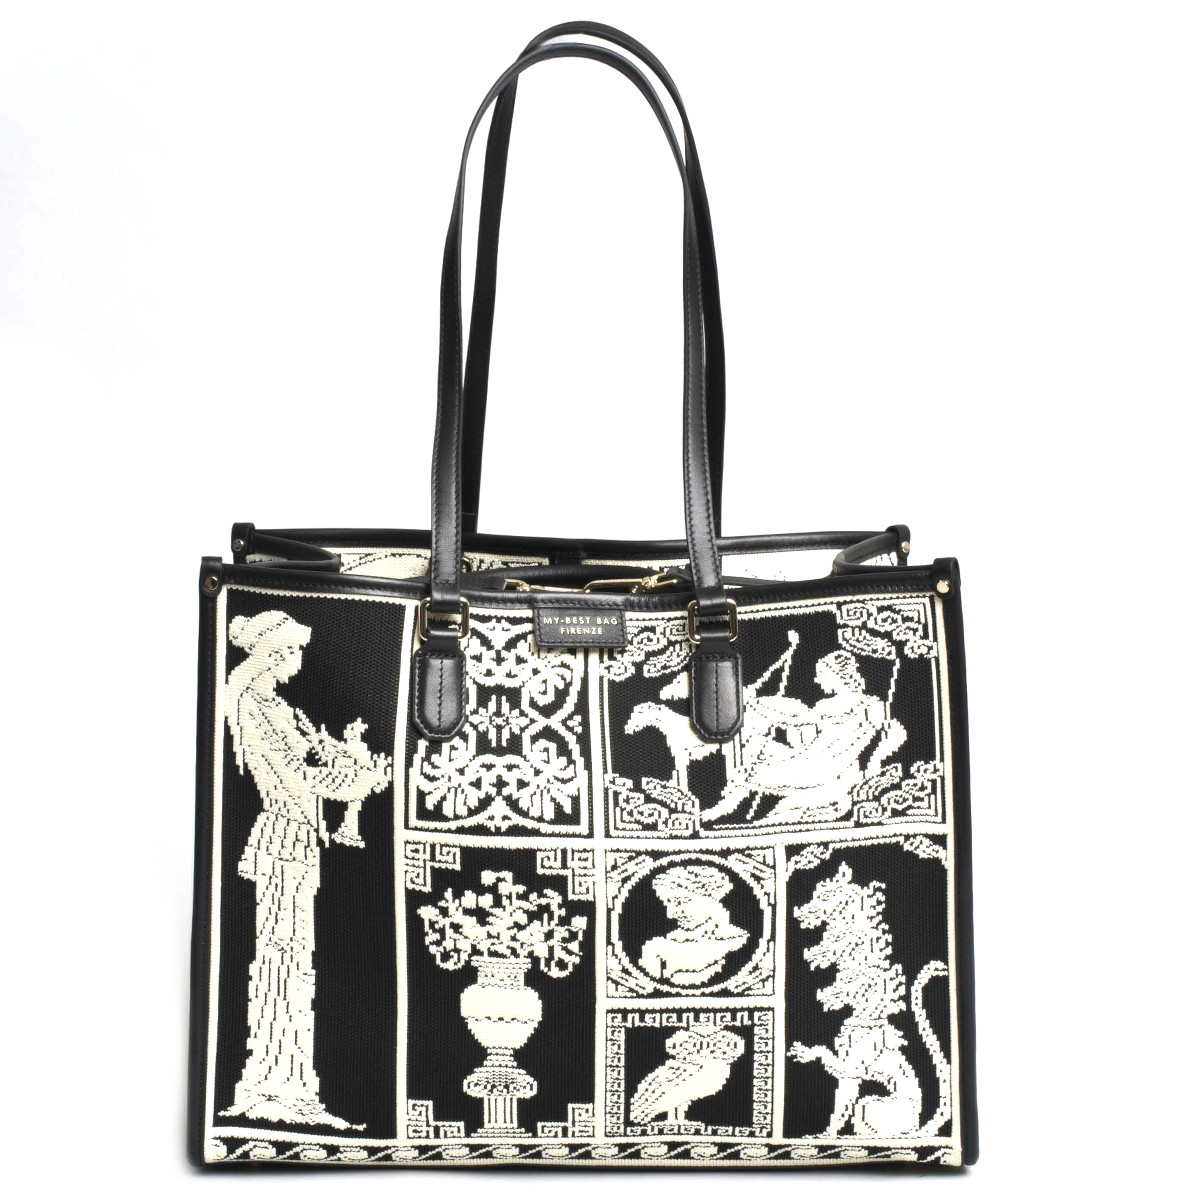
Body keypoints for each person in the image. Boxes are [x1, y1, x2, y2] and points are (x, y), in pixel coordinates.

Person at [222, 610, 391, 1128]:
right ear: (276, 654)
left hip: (300, 837)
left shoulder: (281, 708)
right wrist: (356, 783)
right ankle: (271, 1082)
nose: (301, 660)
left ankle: (292, 1082)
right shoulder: (253, 705)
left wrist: (354, 767)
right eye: (295, 651)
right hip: (282, 836)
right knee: (280, 952)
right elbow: (296, 776)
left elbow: (319, 760)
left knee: (296, 955)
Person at [638, 865, 749, 986]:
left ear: (709, 899)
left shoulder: (740, 943)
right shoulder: (657, 948)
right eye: (667, 903)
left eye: (679, 902)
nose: (671, 914)